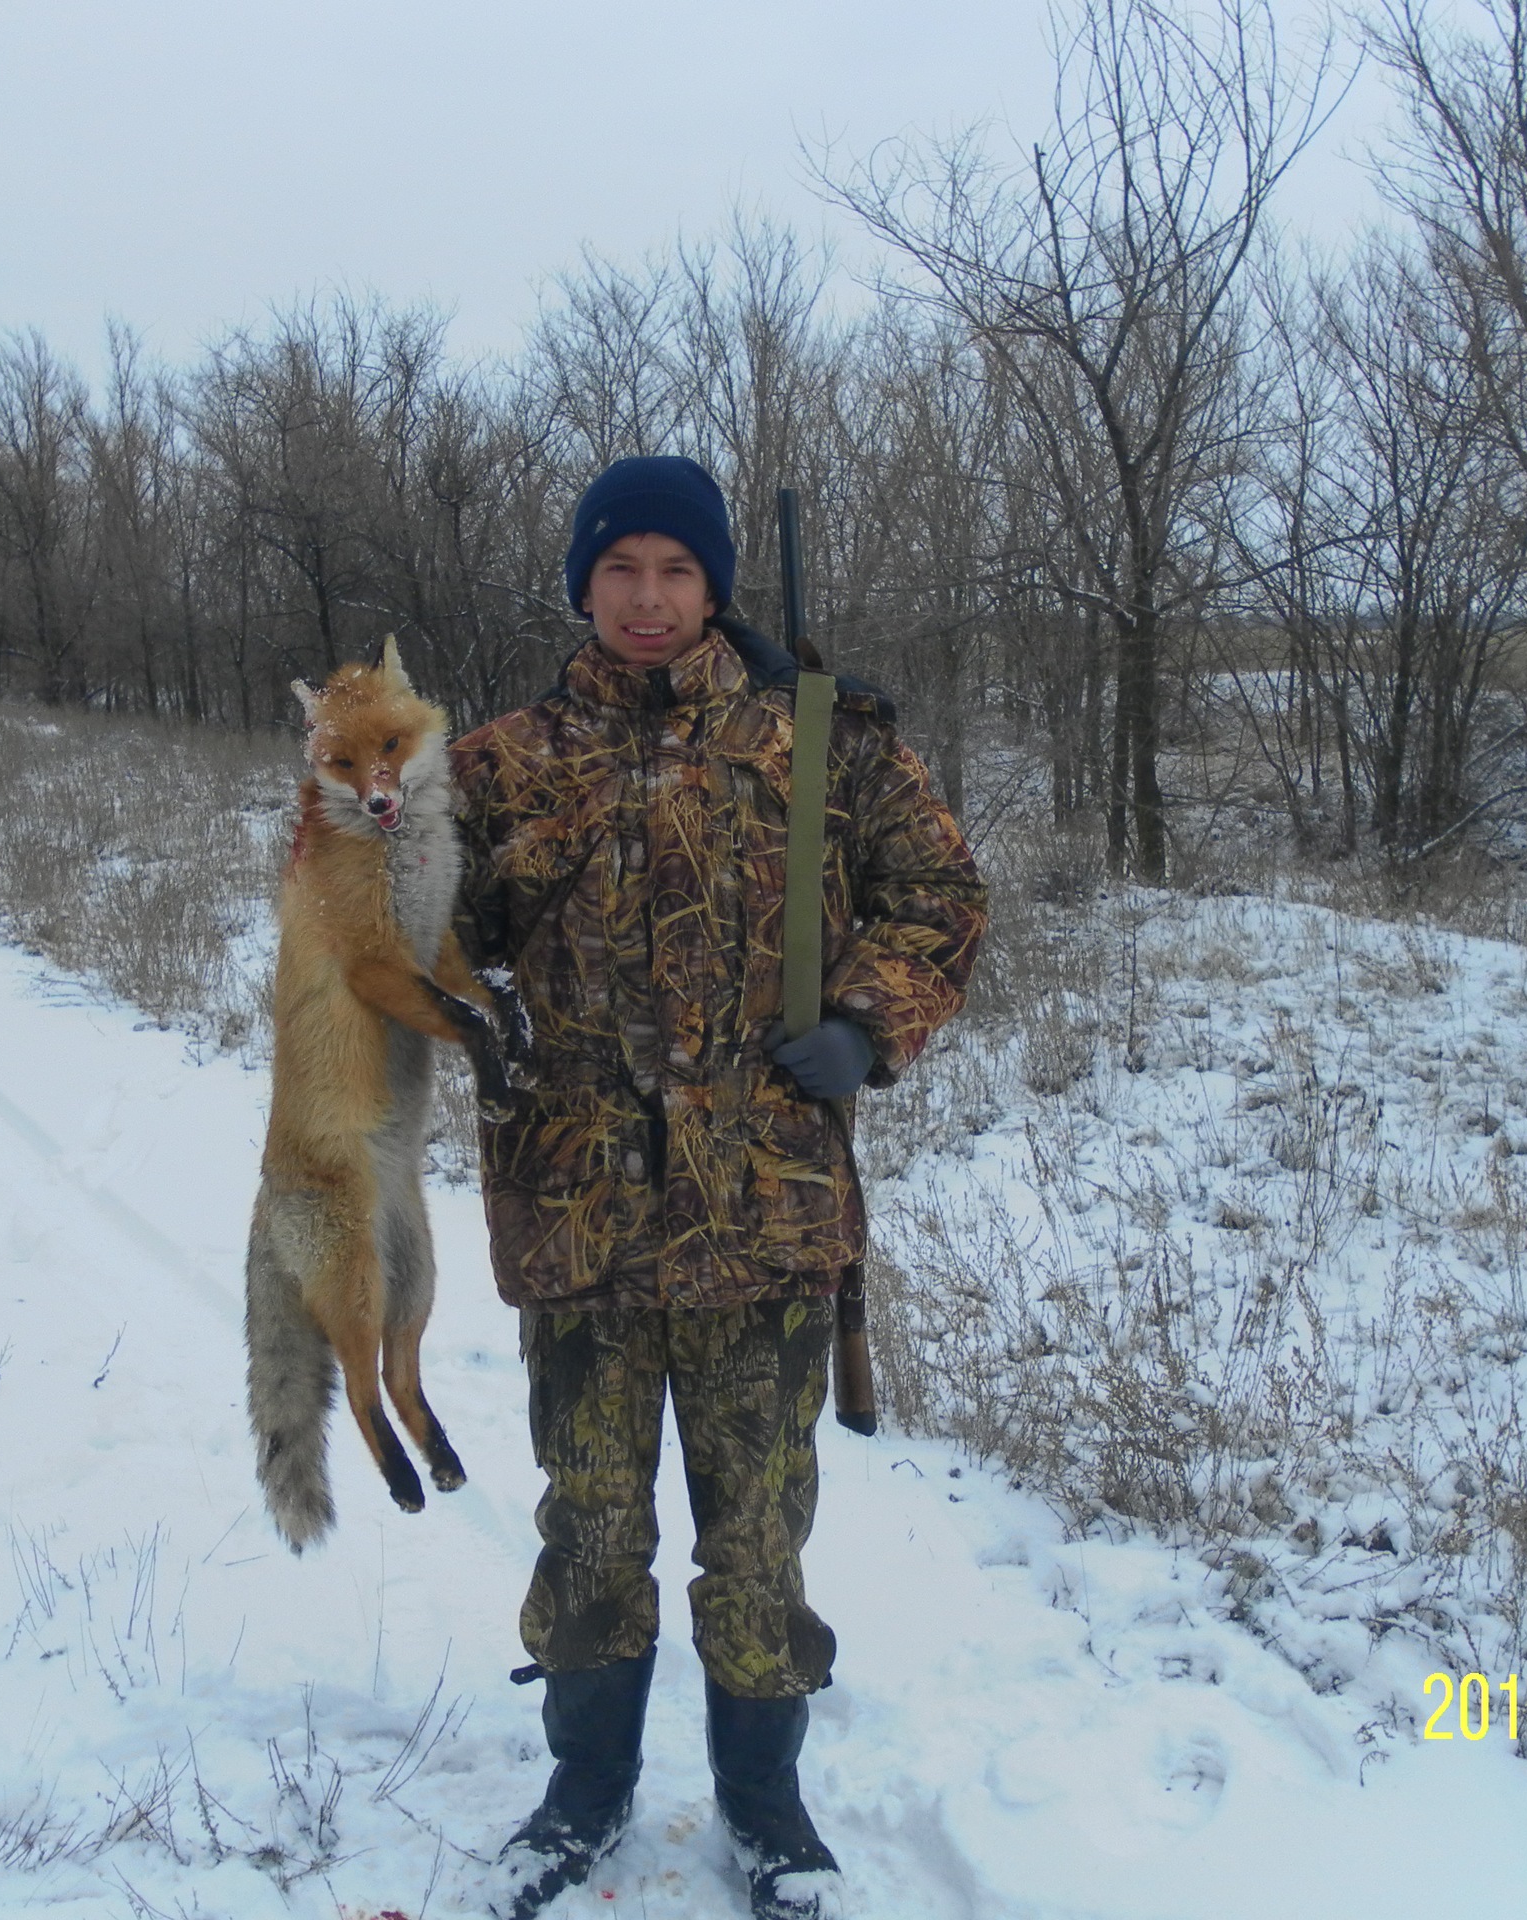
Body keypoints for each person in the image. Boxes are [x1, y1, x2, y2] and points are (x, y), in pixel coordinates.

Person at [449, 456, 988, 1920]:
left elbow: (941, 897)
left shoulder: (823, 740)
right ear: (582, 585)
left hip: (766, 1214)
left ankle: (768, 1808)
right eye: (619, 569)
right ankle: (583, 1793)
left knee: (757, 1536)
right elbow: (411, 936)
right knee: (589, 1525)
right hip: (581, 1221)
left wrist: (867, 1019)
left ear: (715, 586)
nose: (648, 597)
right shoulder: (498, 765)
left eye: (676, 571)